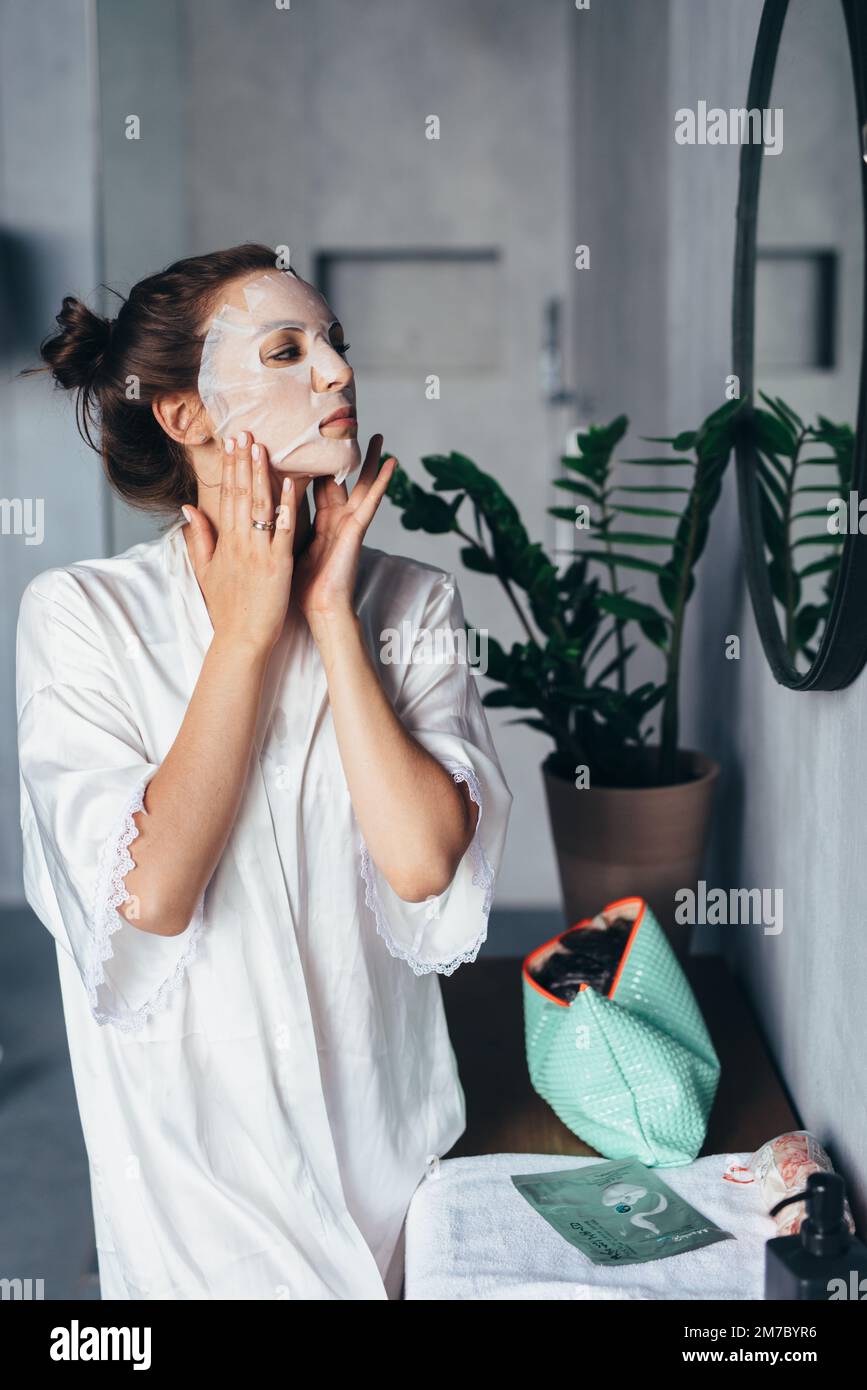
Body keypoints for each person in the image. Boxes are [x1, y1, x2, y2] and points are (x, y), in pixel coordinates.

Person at [16, 244, 512, 1300]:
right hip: (200, 1211)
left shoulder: (410, 607)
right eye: (288, 349)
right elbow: (148, 895)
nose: (336, 372)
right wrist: (244, 636)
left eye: (335, 345)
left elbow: (424, 864)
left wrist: (330, 617)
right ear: (188, 418)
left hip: (397, 1181)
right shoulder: (82, 618)